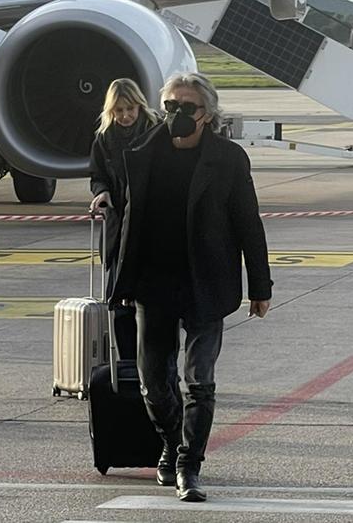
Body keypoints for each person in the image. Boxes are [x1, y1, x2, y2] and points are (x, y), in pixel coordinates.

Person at [110, 72, 272, 502]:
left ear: (208, 114)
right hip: (153, 282)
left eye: (188, 107)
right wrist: (120, 279)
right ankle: (170, 442)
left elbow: (248, 223)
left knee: (199, 381)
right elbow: (128, 223)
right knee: (153, 383)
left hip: (207, 282)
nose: (178, 114)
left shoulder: (228, 158)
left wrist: (260, 285)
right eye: (171, 106)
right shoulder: (142, 153)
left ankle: (189, 465)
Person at [88, 78, 158, 359]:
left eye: (130, 109)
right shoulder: (105, 139)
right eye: (119, 111)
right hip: (120, 228)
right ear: (111, 111)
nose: (126, 116)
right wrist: (101, 192)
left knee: (153, 304)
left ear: (140, 107)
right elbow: (97, 175)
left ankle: (153, 363)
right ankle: (128, 364)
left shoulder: (156, 133)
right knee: (119, 302)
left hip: (153, 227)